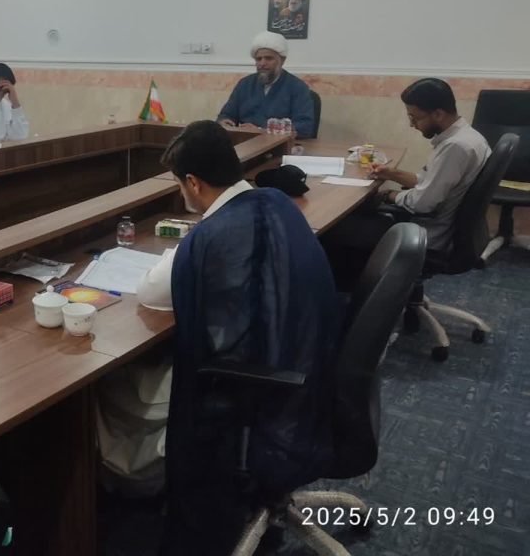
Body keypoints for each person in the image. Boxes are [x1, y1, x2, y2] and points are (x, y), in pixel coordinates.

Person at [158, 121, 345, 556]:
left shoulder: (216, 232)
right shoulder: (278, 201)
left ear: (193, 182)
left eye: (181, 185)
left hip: (276, 402)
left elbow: (158, 293)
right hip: (312, 371)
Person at [325, 78, 489, 261]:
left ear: (438, 114)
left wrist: (389, 195)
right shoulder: (469, 137)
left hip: (425, 235)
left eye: (415, 118)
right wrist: (391, 174)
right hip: (435, 226)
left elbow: (423, 203)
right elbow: (430, 183)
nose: (412, 124)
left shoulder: (456, 147)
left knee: (333, 230)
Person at [217, 31, 315, 138]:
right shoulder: (245, 84)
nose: (262, 63)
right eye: (258, 59)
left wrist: (262, 131)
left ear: (282, 60)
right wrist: (224, 122)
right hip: (245, 143)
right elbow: (226, 114)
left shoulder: (297, 87)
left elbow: (305, 126)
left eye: (268, 58)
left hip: (279, 144)